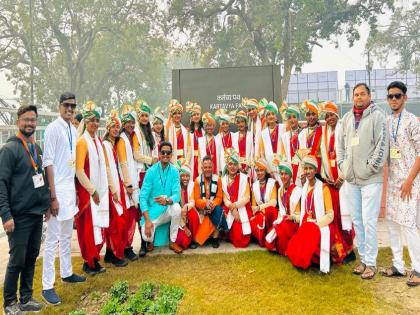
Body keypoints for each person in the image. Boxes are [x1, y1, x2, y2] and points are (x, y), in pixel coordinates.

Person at [0, 105, 50, 315]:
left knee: (31, 256)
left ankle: (26, 298)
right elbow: (1, 183)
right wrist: (6, 215)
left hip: (35, 213)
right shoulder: (9, 150)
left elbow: (41, 179)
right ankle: (10, 303)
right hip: (18, 216)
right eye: (26, 119)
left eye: (33, 120)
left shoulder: (35, 148)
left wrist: (45, 204)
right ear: (18, 120)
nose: (30, 123)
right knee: (17, 259)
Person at [337, 82, 389, 280]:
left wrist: (369, 169)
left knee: (369, 221)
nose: (358, 98)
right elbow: (340, 146)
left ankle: (372, 263)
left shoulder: (377, 116)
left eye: (362, 94)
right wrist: (343, 167)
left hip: (370, 180)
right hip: (352, 179)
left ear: (369, 96)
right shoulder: (347, 118)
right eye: (355, 95)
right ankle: (364, 260)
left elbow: (382, 145)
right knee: (357, 221)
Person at [41, 93, 86, 306]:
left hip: (69, 190)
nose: (70, 109)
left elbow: (70, 162)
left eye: (73, 106)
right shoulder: (53, 128)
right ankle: (47, 286)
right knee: (52, 240)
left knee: (67, 236)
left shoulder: (72, 128)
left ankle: (67, 273)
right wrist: (52, 196)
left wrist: (74, 190)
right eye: (66, 106)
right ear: (59, 106)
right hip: (56, 191)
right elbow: (48, 162)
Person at [380, 81, 420, 287]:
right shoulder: (386, 121)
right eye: (390, 97)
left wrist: (410, 180)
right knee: (392, 223)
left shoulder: (413, 121)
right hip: (394, 183)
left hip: (409, 183)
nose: (393, 99)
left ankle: (418, 268)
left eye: (397, 96)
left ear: (405, 97)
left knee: (409, 225)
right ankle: (398, 265)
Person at [75, 101, 109, 275]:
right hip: (87, 193)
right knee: (88, 227)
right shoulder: (82, 142)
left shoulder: (97, 141)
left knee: (97, 226)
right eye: (92, 120)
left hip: (98, 191)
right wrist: (92, 191)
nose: (95, 123)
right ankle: (89, 262)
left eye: (97, 120)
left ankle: (94, 259)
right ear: (86, 122)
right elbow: (79, 170)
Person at [319, 101, 355, 264]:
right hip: (330, 181)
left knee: (345, 215)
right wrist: (326, 176)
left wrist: (342, 177)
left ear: (337, 115)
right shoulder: (324, 132)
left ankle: (350, 249)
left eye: (331, 115)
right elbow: (323, 155)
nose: (329, 118)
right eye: (326, 116)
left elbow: (351, 153)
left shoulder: (345, 129)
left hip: (344, 180)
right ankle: (337, 249)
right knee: (334, 216)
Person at [286, 155, 334, 274]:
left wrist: (316, 224)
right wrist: (293, 217)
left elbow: (330, 215)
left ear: (315, 170)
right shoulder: (305, 188)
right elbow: (304, 213)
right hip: (307, 224)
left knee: (307, 230)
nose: (307, 171)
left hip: (321, 225)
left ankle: (309, 261)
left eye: (310, 168)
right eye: (305, 168)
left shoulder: (324, 188)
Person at [139, 141, 183, 254]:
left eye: (168, 153)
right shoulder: (150, 172)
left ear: (171, 155)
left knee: (177, 208)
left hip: (167, 210)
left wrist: (168, 200)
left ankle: (173, 241)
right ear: (159, 153)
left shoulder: (174, 171)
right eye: (163, 152)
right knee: (146, 236)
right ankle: (150, 240)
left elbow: (177, 195)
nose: (165, 155)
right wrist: (148, 220)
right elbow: (142, 198)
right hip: (153, 212)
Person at [102, 110, 129, 267]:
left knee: (115, 221)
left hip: (117, 184)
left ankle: (110, 252)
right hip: (111, 187)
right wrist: (113, 190)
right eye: (113, 127)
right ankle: (115, 254)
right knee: (116, 222)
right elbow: (106, 169)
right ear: (108, 129)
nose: (115, 129)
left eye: (117, 127)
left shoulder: (114, 144)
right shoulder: (105, 145)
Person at [117, 105, 140, 261]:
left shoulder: (131, 137)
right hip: (127, 184)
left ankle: (128, 246)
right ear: (123, 124)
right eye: (128, 123)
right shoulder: (121, 140)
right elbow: (123, 163)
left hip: (132, 181)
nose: (131, 125)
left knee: (132, 216)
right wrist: (128, 185)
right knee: (126, 218)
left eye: (133, 122)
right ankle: (125, 247)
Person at [265, 161, 301, 255]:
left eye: (286, 174)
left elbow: (299, 215)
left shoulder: (297, 191)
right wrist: (278, 222)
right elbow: (281, 211)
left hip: (294, 223)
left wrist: (291, 218)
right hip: (284, 220)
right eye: (281, 174)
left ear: (290, 176)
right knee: (269, 243)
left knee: (280, 236)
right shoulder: (280, 190)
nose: (283, 176)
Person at [221, 148, 252, 248]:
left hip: (242, 208)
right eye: (230, 164)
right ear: (227, 165)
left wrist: (235, 205)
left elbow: (247, 197)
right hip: (229, 209)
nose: (232, 167)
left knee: (241, 240)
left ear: (238, 165)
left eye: (235, 164)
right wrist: (233, 208)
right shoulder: (223, 180)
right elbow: (225, 199)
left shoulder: (243, 178)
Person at [193, 156, 226, 248]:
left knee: (218, 210)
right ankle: (206, 236)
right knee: (199, 239)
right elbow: (196, 200)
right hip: (202, 211)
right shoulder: (197, 180)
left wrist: (211, 205)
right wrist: (205, 204)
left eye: (209, 167)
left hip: (214, 209)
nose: (207, 169)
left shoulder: (218, 179)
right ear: (202, 168)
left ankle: (215, 238)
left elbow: (219, 197)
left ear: (213, 167)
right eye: (205, 167)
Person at [249, 158, 278, 247]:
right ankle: (262, 238)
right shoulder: (254, 186)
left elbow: (273, 202)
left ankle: (269, 237)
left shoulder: (272, 183)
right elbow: (253, 206)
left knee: (270, 210)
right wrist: (258, 210)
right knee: (253, 219)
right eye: (257, 170)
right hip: (260, 213)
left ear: (265, 171)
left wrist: (260, 208)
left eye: (261, 170)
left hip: (270, 213)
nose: (259, 173)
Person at [174, 161, 199, 250]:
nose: (185, 178)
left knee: (193, 213)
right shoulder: (176, 188)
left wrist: (186, 207)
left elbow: (192, 201)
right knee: (184, 243)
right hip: (178, 217)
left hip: (187, 212)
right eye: (182, 176)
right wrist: (184, 227)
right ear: (179, 177)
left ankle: (193, 239)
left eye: (187, 176)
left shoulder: (192, 185)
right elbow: (175, 209)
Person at [259, 100, 286, 182]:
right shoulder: (263, 133)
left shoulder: (283, 128)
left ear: (276, 116)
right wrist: (268, 170)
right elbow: (262, 153)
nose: (271, 116)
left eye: (273, 114)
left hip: (283, 169)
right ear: (266, 118)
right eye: (268, 114)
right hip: (270, 171)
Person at [298, 100, 323, 175]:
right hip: (306, 169)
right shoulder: (302, 133)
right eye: (308, 115)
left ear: (317, 115)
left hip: (320, 169)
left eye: (313, 114)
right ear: (305, 117)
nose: (311, 117)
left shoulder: (323, 131)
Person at [279, 103, 301, 185]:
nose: (292, 120)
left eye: (294, 117)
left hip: (301, 169)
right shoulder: (284, 137)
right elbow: (283, 155)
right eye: (289, 118)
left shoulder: (303, 133)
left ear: (298, 118)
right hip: (290, 168)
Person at [186, 101, 204, 180]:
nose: (196, 116)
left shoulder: (204, 131)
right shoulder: (188, 132)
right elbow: (188, 149)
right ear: (191, 117)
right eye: (194, 115)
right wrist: (186, 162)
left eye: (197, 114)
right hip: (192, 160)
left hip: (202, 159)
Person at [232, 110, 252, 176]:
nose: (241, 124)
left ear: (246, 123)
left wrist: (248, 165)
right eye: (238, 122)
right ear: (236, 124)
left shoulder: (251, 135)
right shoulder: (234, 136)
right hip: (237, 168)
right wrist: (239, 166)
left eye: (242, 122)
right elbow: (233, 153)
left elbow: (253, 151)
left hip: (249, 167)